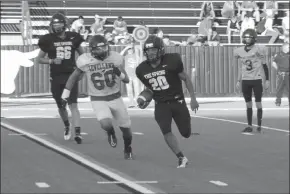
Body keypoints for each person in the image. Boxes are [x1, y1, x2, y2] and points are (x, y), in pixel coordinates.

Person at [61, 35, 133, 160]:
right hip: (98, 98)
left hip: (115, 97)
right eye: (98, 49)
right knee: (105, 123)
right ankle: (110, 132)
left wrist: (119, 73)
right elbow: (73, 78)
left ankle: (128, 147)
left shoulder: (115, 58)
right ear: (92, 50)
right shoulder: (85, 60)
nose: (102, 51)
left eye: (104, 47)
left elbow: (126, 80)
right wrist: (65, 95)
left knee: (126, 129)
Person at [135, 35, 199, 168]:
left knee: (185, 133)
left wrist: (193, 98)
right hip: (161, 104)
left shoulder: (172, 61)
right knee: (166, 130)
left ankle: (184, 135)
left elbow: (185, 78)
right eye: (148, 51)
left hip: (177, 101)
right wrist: (145, 99)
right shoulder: (141, 69)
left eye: (153, 50)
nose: (150, 53)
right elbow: (150, 88)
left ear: (160, 50)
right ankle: (181, 157)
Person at [35, 13, 85, 143]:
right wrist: (52, 61)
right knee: (61, 105)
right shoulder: (48, 39)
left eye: (59, 24)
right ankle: (67, 125)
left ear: (65, 24)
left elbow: (83, 56)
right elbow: (39, 59)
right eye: (55, 24)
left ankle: (78, 133)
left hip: (71, 75)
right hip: (56, 76)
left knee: (73, 105)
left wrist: (82, 71)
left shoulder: (73, 37)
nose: (57, 27)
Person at [234, 29, 270, 133]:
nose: (247, 39)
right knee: (248, 104)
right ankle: (249, 125)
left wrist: (267, 79)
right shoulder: (239, 51)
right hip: (245, 80)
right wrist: (238, 80)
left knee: (258, 103)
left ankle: (259, 125)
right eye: (245, 37)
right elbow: (241, 67)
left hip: (256, 79)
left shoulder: (259, 50)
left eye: (249, 37)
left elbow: (264, 65)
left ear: (254, 38)